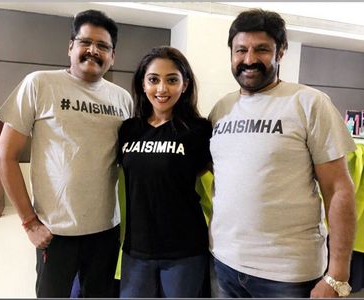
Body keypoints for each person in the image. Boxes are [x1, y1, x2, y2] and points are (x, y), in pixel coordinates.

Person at [208, 8, 357, 298]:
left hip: (287, 274)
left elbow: (338, 188)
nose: (249, 59)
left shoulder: (309, 103)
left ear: (281, 52)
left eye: (261, 49)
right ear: (231, 53)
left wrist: (338, 275)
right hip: (224, 264)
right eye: (241, 50)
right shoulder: (221, 108)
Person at [0, 10, 133, 298]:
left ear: (113, 56)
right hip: (55, 234)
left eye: (103, 46)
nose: (93, 50)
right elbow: (4, 157)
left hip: (106, 232)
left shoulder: (123, 99)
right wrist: (30, 222)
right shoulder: (39, 84)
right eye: (85, 42)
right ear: (70, 47)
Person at [117, 46, 212, 298]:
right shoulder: (128, 129)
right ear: (142, 84)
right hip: (136, 249)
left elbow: (215, 182)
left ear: (185, 85)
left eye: (172, 80)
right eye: (153, 80)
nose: (161, 89)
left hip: (185, 250)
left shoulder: (199, 130)